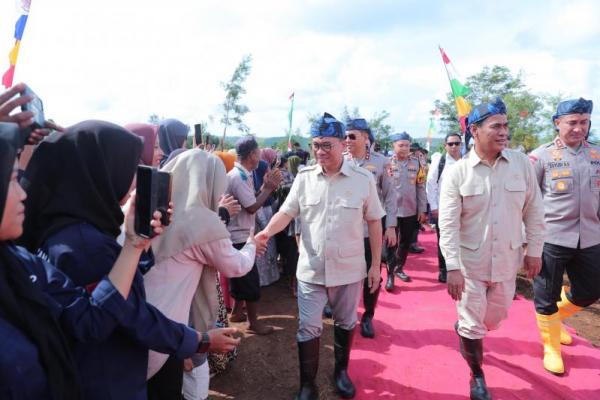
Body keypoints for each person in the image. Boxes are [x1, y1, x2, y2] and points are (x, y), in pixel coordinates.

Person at [20, 120, 237, 400]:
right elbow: (130, 314)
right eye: (131, 167)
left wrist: (143, 247)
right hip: (107, 378)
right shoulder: (85, 246)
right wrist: (200, 340)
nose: (136, 178)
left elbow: (117, 282)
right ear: (101, 170)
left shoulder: (72, 226)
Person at [0, 122, 172, 399]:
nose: (22, 192)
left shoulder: (19, 260)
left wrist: (135, 245)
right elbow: (124, 316)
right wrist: (194, 341)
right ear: (101, 170)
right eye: (10, 180)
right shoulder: (83, 245)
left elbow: (90, 316)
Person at [256, 113, 384, 399]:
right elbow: (286, 213)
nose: (320, 151)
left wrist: (375, 265)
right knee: (308, 326)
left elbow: (375, 221)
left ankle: (341, 371)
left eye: (327, 145)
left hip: (349, 269)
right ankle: (307, 383)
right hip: (312, 268)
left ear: (342, 145)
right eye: (315, 145)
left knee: (346, 323)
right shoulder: (304, 179)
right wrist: (265, 232)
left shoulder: (363, 180)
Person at [439, 98, 545, 400]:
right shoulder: (458, 172)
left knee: (493, 320)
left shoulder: (521, 163)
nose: (504, 132)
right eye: (496, 126)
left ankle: (465, 328)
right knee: (474, 325)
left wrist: (534, 249)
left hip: (507, 261)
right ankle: (477, 376)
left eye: (505, 126)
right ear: (474, 130)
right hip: (470, 262)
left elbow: (534, 210)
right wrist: (453, 267)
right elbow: (447, 224)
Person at [144, 149, 261, 398]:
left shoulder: (153, 209)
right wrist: (252, 245)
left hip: (139, 319)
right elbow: (236, 266)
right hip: (168, 328)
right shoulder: (202, 221)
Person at [529, 97, 600, 375]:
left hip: (591, 236)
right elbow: (527, 200)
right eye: (572, 122)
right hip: (551, 238)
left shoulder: (596, 155)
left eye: (584, 122)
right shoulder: (540, 157)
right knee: (545, 294)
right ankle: (552, 347)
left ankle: (556, 319)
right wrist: (527, 239)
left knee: (591, 290)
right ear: (557, 123)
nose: (578, 128)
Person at [344, 118, 397, 338]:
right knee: (344, 273)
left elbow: (391, 196)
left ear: (366, 138)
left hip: (370, 232)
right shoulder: (340, 160)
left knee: (371, 274)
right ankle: (343, 310)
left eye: (352, 136)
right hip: (346, 231)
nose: (347, 140)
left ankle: (368, 316)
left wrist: (391, 225)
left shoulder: (381, 162)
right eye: (345, 136)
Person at [226, 136, 282, 335]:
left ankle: (235, 313)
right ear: (251, 155)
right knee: (249, 279)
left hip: (239, 234)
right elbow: (251, 207)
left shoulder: (243, 174)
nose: (260, 156)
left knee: (241, 276)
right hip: (238, 236)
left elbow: (249, 199)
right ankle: (253, 323)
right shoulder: (238, 177)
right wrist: (269, 188)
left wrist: (262, 187)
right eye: (258, 152)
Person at [386, 132, 427, 290]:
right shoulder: (387, 163)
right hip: (391, 211)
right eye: (400, 145)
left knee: (405, 243)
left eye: (407, 145)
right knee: (391, 243)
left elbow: (420, 187)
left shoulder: (417, 164)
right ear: (393, 146)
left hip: (410, 210)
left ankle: (399, 268)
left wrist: (422, 209)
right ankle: (390, 275)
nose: (404, 148)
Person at [426, 133, 463, 283]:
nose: (454, 146)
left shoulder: (467, 161)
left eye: (457, 143)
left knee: (464, 240)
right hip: (444, 209)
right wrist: (434, 208)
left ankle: (462, 269)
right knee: (445, 240)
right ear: (445, 145)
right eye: (451, 144)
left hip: (465, 210)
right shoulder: (439, 162)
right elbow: (430, 185)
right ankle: (443, 270)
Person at [253, 159, 280, 286]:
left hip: (260, 209)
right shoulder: (262, 165)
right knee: (265, 246)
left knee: (264, 246)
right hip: (264, 212)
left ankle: (266, 277)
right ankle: (267, 277)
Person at [408, 142, 429, 254]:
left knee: (416, 223)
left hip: (417, 197)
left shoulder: (420, 162)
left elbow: (422, 180)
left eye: (414, 150)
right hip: (402, 201)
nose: (412, 152)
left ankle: (412, 243)